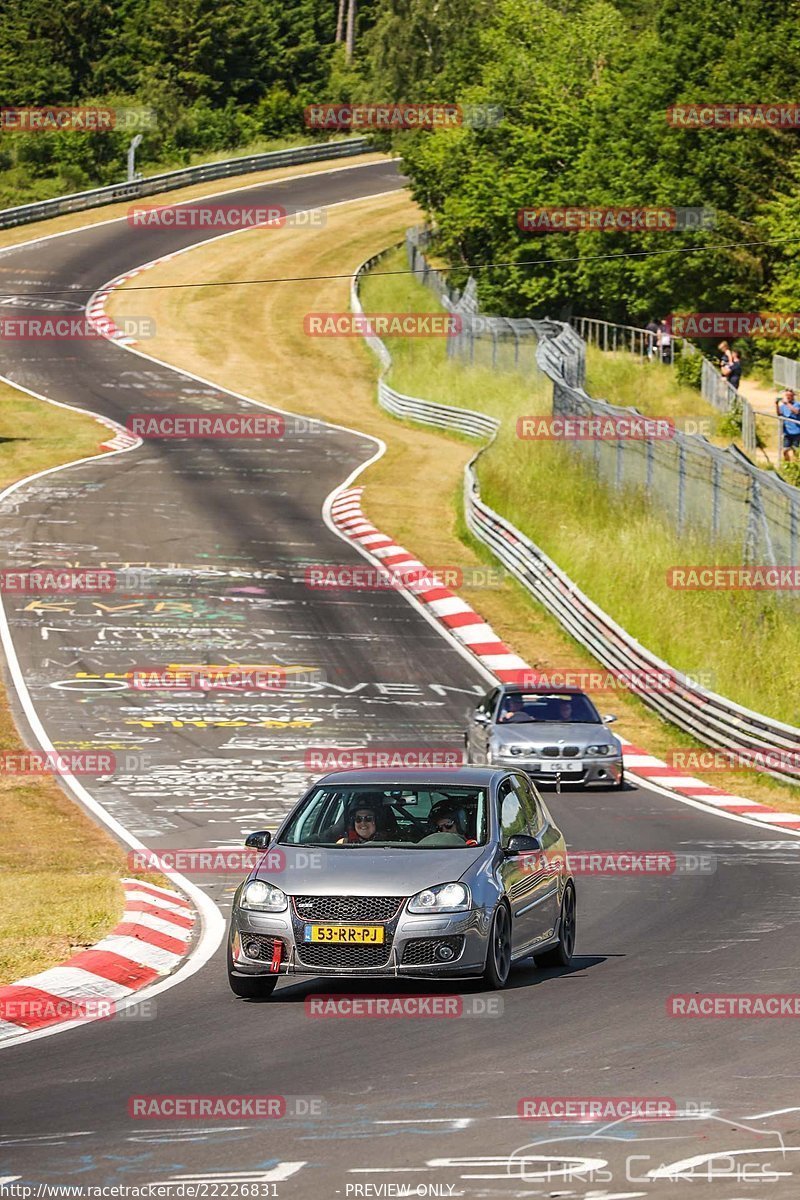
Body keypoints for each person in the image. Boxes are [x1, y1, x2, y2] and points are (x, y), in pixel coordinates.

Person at [777, 389, 800, 462]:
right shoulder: (783, 406)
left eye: (789, 395)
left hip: (796, 432)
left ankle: (795, 464)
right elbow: (779, 414)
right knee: (785, 450)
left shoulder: (797, 404)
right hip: (787, 433)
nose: (787, 397)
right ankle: (787, 463)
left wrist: (787, 404)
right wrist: (776, 404)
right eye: (786, 395)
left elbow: (796, 412)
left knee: (795, 450)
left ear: (793, 396)